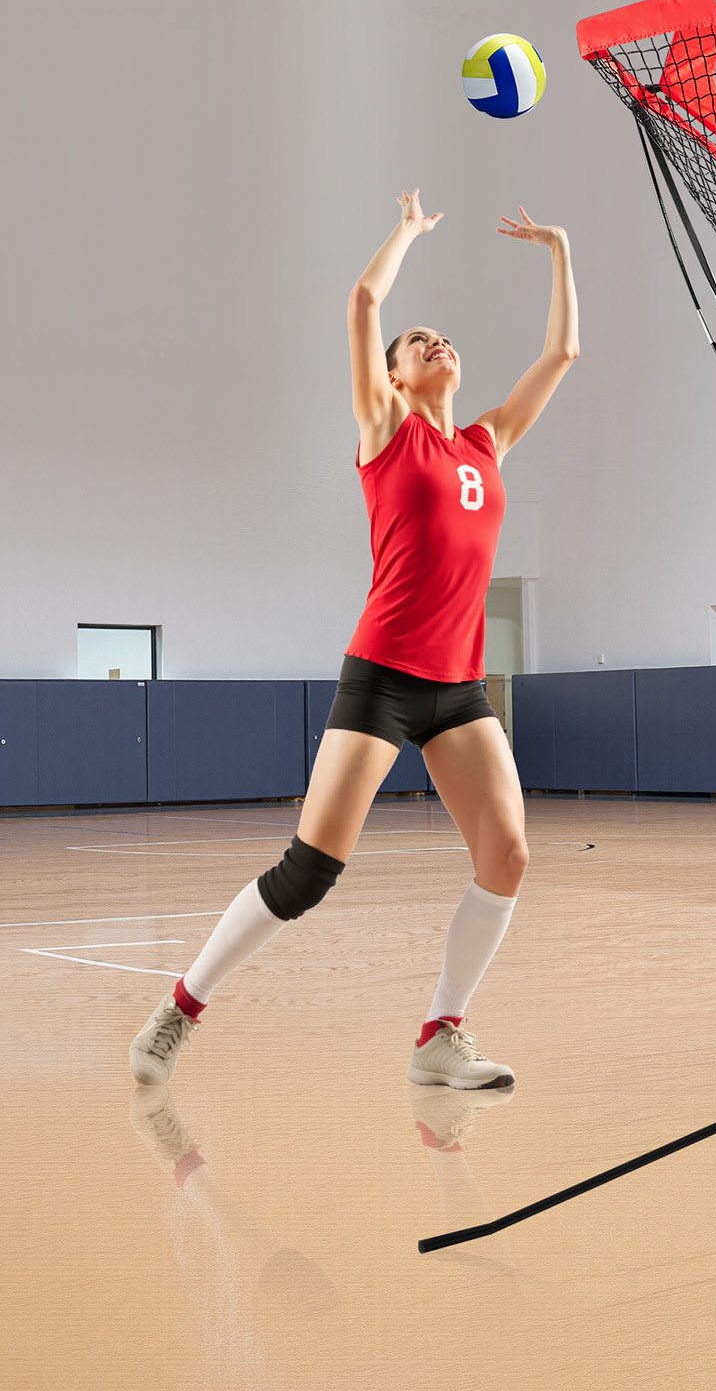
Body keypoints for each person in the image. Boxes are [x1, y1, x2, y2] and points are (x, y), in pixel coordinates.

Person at [130, 186, 579, 1091]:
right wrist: (407, 230)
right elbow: (364, 304)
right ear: (398, 377)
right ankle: (179, 1009)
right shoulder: (387, 433)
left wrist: (560, 249)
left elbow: (563, 350)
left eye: (443, 337)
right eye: (420, 344)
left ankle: (439, 1035)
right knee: (309, 872)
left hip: (458, 687)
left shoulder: (486, 446)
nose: (436, 343)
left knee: (509, 853)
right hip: (380, 676)